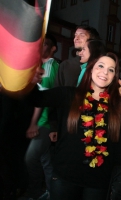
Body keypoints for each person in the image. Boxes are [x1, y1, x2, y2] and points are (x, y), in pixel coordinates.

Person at [28, 52, 121, 200]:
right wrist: (31, 80)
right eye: (101, 66)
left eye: (111, 70)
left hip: (98, 183)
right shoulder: (69, 94)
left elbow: (119, 144)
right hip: (64, 177)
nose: (105, 72)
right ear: (91, 69)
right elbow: (37, 99)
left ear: (114, 76)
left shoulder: (117, 106)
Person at [18, 34, 59, 200]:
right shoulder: (40, 66)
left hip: (45, 122)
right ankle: (51, 192)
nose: (41, 47)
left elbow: (44, 96)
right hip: (40, 122)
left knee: (30, 159)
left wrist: (34, 123)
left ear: (53, 48)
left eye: (46, 44)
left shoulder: (50, 66)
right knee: (46, 162)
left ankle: (34, 192)